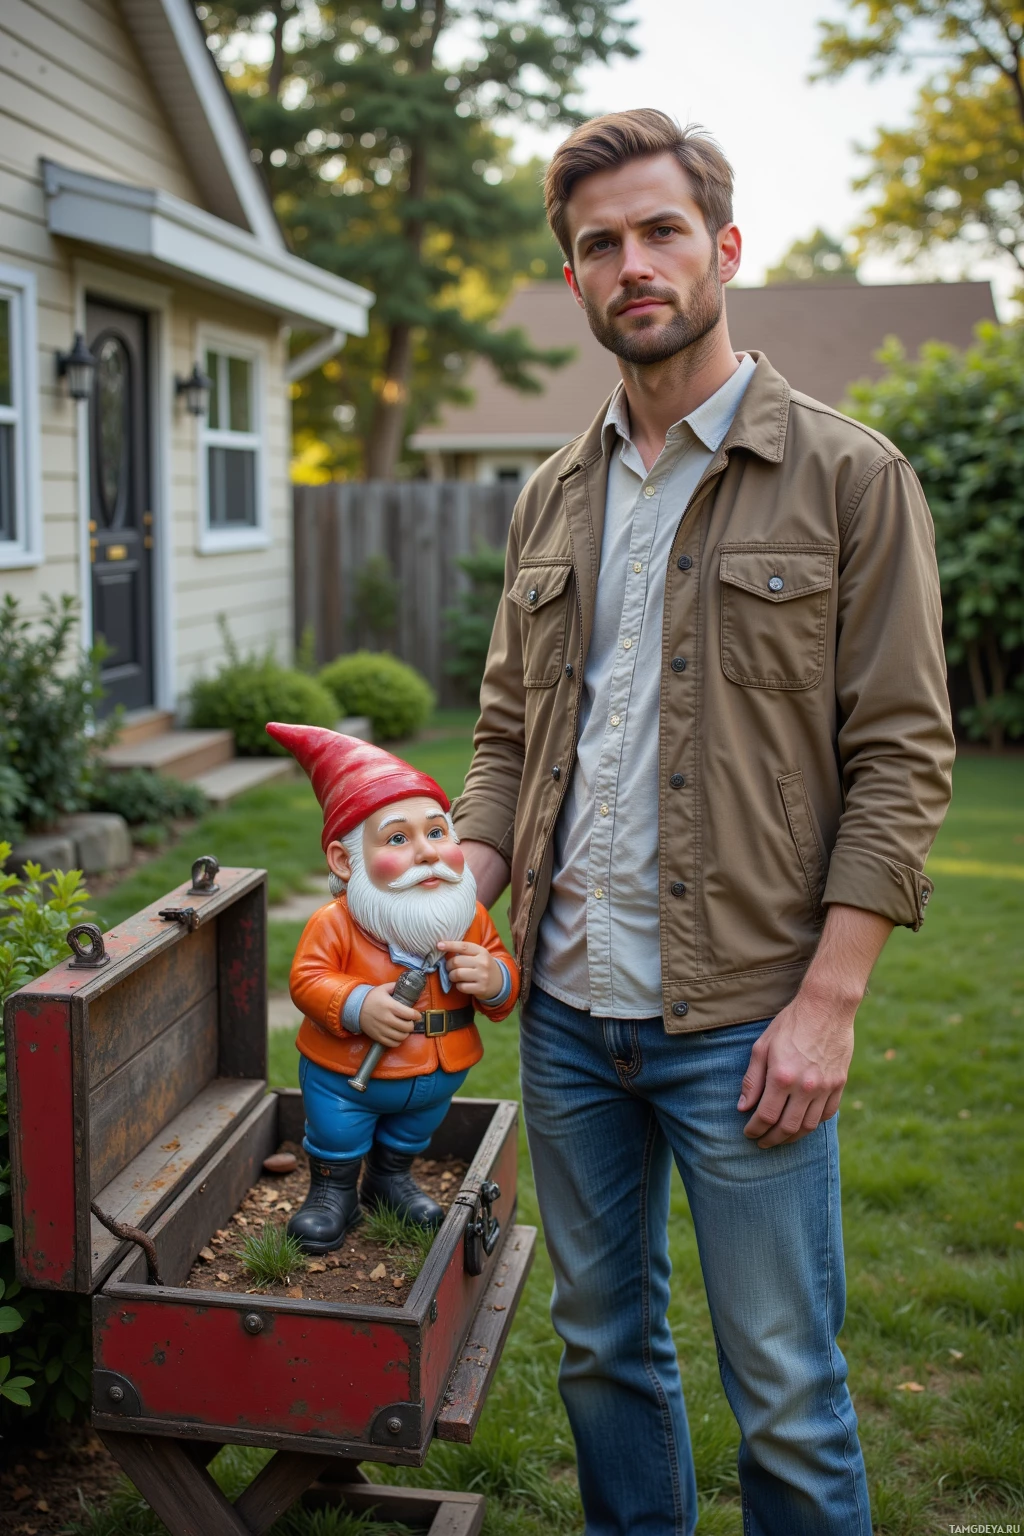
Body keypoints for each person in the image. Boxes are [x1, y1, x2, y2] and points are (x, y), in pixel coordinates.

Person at [451, 110, 955, 1536]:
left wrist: (830, 1004)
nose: (633, 263)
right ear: (574, 277)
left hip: (747, 1022)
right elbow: (507, 735)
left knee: (786, 1390)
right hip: (565, 1011)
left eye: (660, 230)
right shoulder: (551, 497)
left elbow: (904, 753)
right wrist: (455, 882)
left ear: (724, 247)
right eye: (598, 243)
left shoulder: (850, 477)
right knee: (602, 1352)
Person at [266, 724, 519, 1250]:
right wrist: (357, 1003)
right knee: (338, 1131)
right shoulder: (335, 923)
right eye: (398, 839)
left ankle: (390, 1178)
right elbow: (307, 979)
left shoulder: (468, 917)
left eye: (438, 832)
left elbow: (501, 968)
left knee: (414, 1128)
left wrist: (494, 978)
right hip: (347, 1075)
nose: (427, 853)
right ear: (345, 861)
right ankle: (332, 1192)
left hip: (438, 1069)